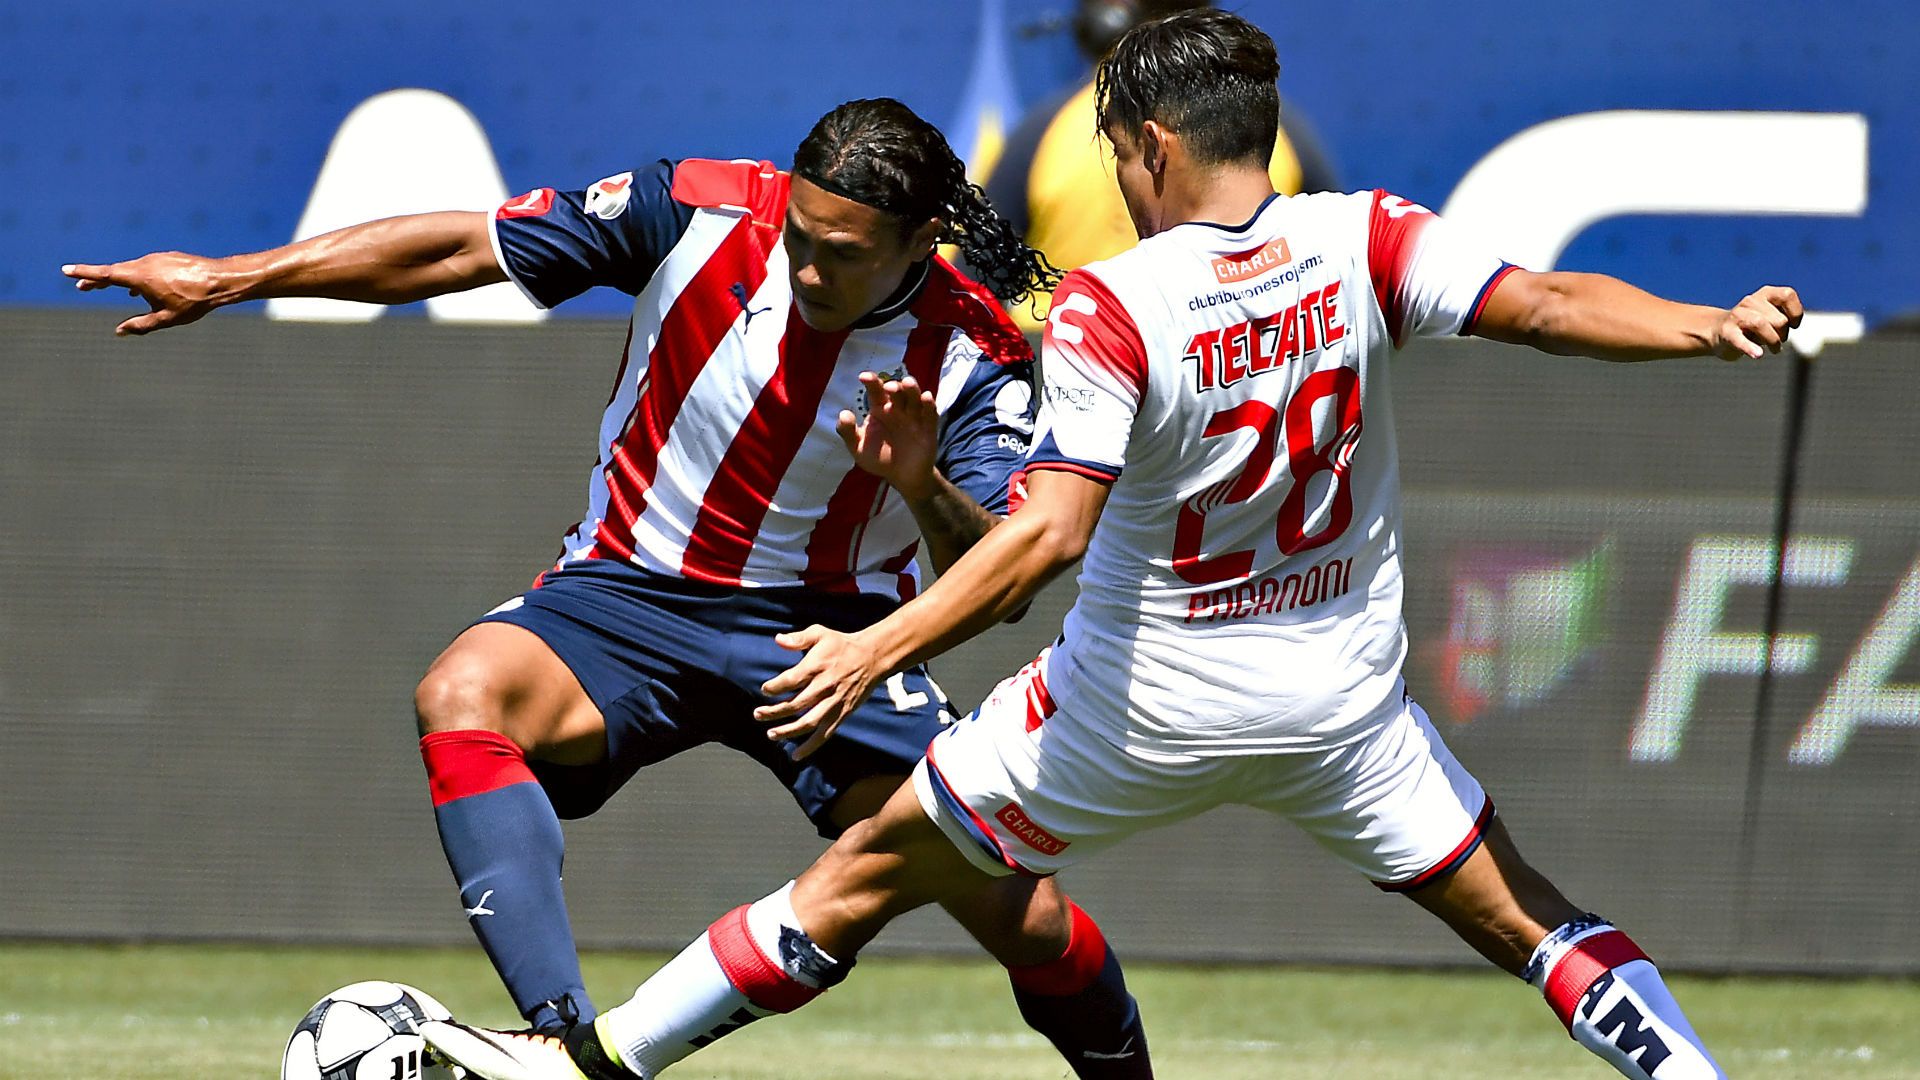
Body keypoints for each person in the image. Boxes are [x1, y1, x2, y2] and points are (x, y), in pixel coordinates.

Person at [419, 11, 1807, 1080]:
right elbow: (1551, 304)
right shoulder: (1367, 239)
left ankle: (590, 1063)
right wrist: (1710, 326)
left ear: (1147, 148)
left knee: (852, 884)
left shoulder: (1110, 306)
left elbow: (1044, 545)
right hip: (1339, 710)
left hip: (1134, 707)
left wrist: (874, 648)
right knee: (1536, 923)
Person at [61, 98, 1152, 1080]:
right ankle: (556, 1042)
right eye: (800, 241)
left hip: (832, 643)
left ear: (922, 239)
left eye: (846, 256)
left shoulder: (975, 350)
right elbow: (463, 245)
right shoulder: (693, 210)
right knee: (463, 692)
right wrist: (230, 277)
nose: (812, 274)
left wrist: (918, 482)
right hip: (625, 596)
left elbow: (1001, 574)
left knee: (1024, 916)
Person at [985, 0, 1339, 332]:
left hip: (1067, 349)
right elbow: (1331, 266)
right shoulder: (1271, 124)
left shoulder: (1046, 131)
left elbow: (977, 286)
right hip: (1235, 353)